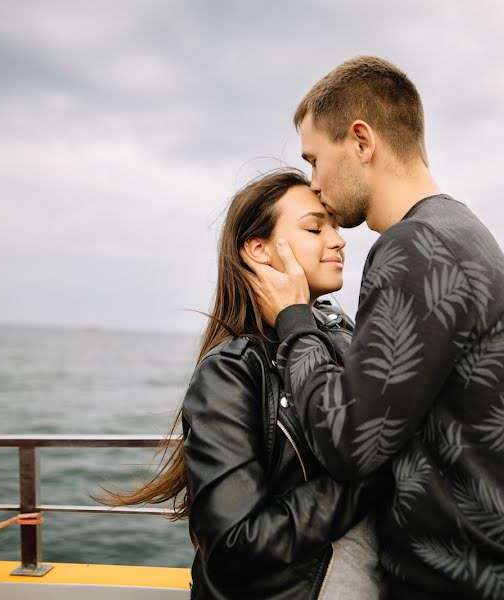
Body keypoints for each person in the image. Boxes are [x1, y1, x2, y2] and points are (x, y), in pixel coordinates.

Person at [244, 56, 504, 599]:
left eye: (315, 158)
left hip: (464, 586)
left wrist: (295, 320)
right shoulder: (461, 232)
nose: (315, 181)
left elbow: (349, 443)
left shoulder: (414, 247)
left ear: (361, 141)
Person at [99, 168, 387, 599]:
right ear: (258, 250)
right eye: (314, 227)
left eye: (334, 226)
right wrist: (372, 474)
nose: (339, 239)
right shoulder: (232, 371)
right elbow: (235, 545)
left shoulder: (342, 332)